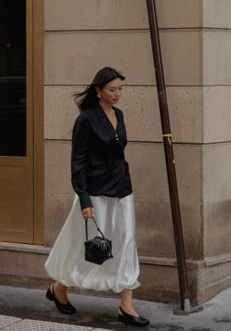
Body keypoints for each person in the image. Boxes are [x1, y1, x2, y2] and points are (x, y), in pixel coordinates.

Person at [44, 67, 149, 327]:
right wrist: (84, 199)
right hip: (95, 192)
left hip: (122, 189)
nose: (118, 94)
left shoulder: (119, 115)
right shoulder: (86, 119)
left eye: (120, 89)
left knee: (126, 242)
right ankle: (59, 286)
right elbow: (77, 161)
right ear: (98, 90)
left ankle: (126, 305)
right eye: (112, 90)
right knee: (85, 245)